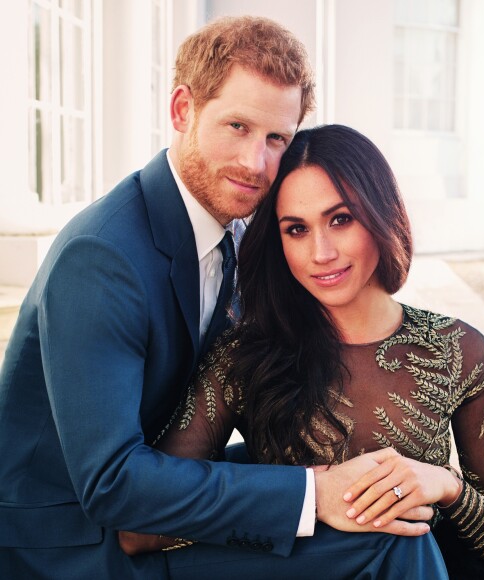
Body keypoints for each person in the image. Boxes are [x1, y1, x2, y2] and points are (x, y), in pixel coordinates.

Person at [0, 17, 447, 580]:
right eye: (237, 126)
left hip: (158, 500)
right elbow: (110, 483)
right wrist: (312, 492)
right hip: (74, 547)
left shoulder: (235, 230)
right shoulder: (102, 258)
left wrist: (354, 475)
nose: (256, 163)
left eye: (276, 139)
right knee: (387, 544)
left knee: (388, 505)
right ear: (183, 110)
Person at [119, 124, 484, 580]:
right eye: (296, 229)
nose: (321, 252)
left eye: (341, 219)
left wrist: (444, 486)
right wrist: (301, 502)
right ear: (277, 241)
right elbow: (142, 525)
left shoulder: (457, 351)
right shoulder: (245, 356)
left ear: (379, 214)